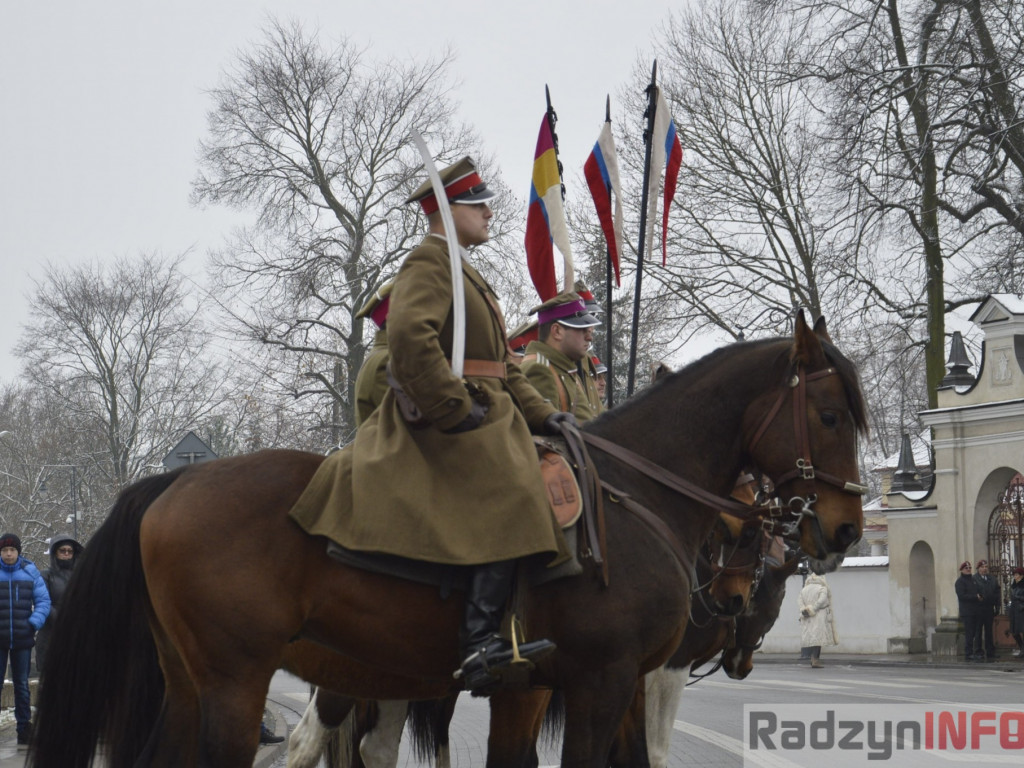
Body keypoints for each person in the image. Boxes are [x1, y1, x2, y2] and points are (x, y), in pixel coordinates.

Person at [289, 156, 573, 693]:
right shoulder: (429, 262)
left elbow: (506, 367)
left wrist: (546, 415)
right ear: (450, 210)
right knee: (515, 489)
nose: (490, 212)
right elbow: (410, 339)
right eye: (479, 205)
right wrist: (453, 408)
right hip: (452, 421)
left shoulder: (466, 269)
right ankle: (480, 640)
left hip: (490, 410)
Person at [0, 532, 50, 745]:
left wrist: (33, 622)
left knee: (21, 684)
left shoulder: (30, 572)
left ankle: (24, 728)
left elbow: (43, 601)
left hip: (23, 638)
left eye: (12, 550)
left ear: (18, 551)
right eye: (4, 550)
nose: (8, 554)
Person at [520, 292, 602, 422]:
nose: (589, 337)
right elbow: (546, 437)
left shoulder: (566, 369)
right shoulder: (539, 369)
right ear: (557, 331)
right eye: (581, 329)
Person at [35, 534, 82, 675]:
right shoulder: (45, 576)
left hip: (75, 634)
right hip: (50, 633)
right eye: (62, 550)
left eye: (70, 551)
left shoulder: (80, 576)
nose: (66, 554)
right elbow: (42, 601)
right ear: (55, 552)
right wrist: (62, 620)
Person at [798, 572, 837, 668]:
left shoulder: (804, 589)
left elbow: (799, 601)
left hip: (806, 616)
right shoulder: (822, 588)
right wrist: (813, 609)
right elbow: (822, 600)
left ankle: (813, 658)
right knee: (817, 639)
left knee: (811, 638)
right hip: (819, 615)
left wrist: (804, 610)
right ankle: (815, 660)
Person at [955, 560, 983, 661]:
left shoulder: (973, 580)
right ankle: (968, 653)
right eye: (966, 568)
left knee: (975, 633)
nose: (968, 569)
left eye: (970, 568)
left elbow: (978, 590)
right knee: (969, 633)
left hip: (976, 610)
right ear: (962, 570)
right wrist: (975, 597)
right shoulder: (960, 582)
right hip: (967, 612)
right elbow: (962, 596)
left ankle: (975, 651)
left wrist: (980, 596)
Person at [974, 559, 1001, 661]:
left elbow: (997, 593)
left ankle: (990, 651)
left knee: (989, 630)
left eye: (986, 567)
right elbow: (973, 592)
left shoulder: (992, 579)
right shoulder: (974, 579)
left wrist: (997, 606)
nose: (984, 569)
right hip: (979, 608)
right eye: (982, 567)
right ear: (978, 568)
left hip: (989, 607)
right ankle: (978, 651)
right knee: (978, 630)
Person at [1009, 567, 1024, 657]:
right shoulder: (1014, 585)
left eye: (1017, 575)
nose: (1015, 576)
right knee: (1014, 631)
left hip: (1022, 610)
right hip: (1014, 611)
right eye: (1014, 575)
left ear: (1022, 576)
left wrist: (1018, 598)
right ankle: (1022, 647)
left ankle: (1023, 650)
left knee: (1022, 630)